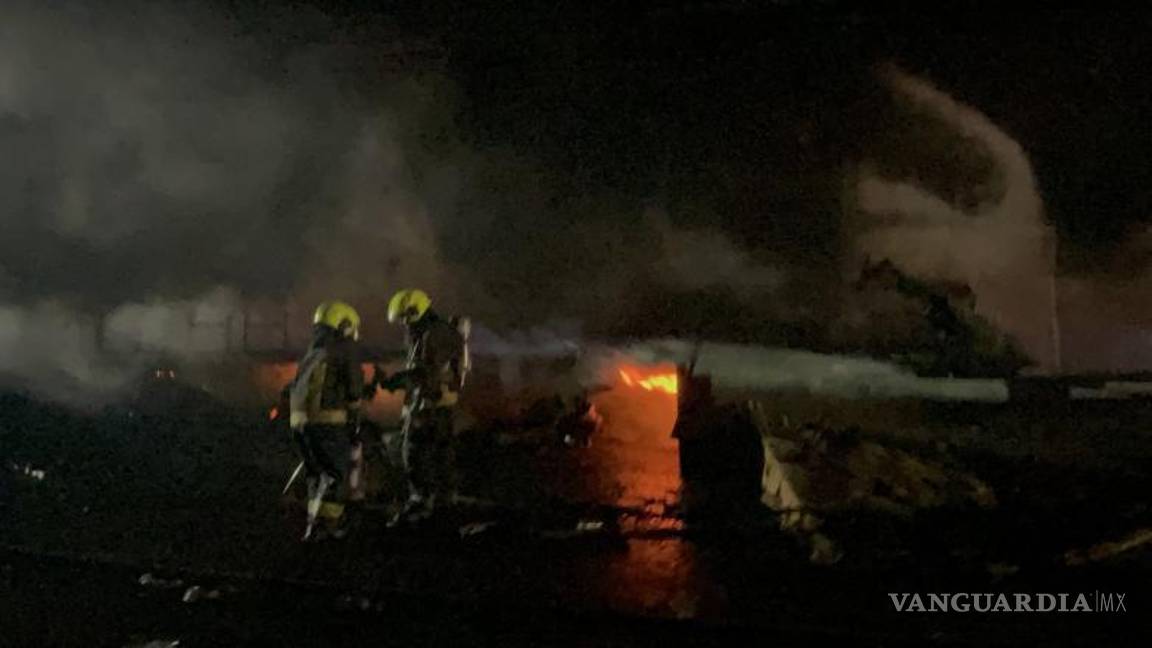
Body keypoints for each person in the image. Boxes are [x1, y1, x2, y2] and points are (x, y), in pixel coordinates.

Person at [375, 289, 466, 524]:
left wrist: (397, 380)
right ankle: (444, 502)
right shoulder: (433, 332)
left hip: (432, 405)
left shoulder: (433, 335)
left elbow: (425, 372)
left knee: (415, 452)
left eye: (405, 317)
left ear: (415, 311)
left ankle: (421, 500)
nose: (403, 323)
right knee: (439, 453)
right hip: (437, 403)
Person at [287, 300, 365, 541]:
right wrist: (355, 419)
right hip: (329, 424)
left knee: (316, 475)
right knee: (335, 475)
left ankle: (313, 525)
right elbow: (353, 388)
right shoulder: (344, 348)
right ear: (342, 324)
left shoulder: (312, 351)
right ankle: (330, 526)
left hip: (301, 425)